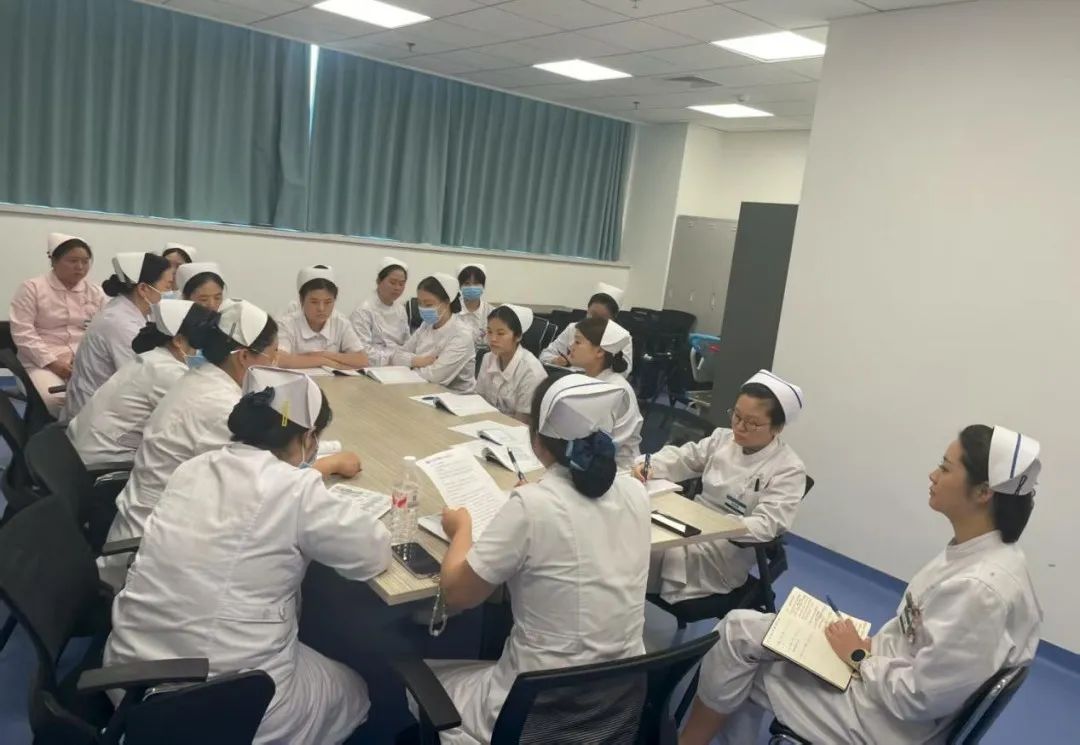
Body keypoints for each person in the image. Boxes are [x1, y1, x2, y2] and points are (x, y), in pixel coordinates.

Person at [680, 425, 1043, 745]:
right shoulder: (986, 554)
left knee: (739, 654)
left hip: (888, 722)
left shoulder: (980, 591)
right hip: (882, 676)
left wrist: (858, 656)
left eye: (946, 468)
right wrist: (866, 650)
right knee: (741, 629)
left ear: (983, 492)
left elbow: (918, 699)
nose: (933, 475)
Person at [104, 367, 391, 744]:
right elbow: (371, 555)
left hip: (128, 679)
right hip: (226, 702)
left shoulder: (193, 468)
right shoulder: (294, 489)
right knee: (354, 690)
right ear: (308, 438)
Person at [419, 374, 651, 745]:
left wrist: (461, 529)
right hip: (616, 709)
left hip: (533, 717)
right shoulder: (636, 493)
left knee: (424, 683)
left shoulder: (532, 507)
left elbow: (457, 594)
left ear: (537, 442)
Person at [99, 300, 361, 587]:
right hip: (156, 550)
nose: (276, 362)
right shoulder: (220, 406)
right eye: (272, 354)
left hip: (170, 523)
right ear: (244, 356)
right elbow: (269, 483)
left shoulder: (203, 380)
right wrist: (331, 463)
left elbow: (268, 454)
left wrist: (326, 446)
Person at [636, 370, 807, 604]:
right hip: (687, 526)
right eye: (737, 416)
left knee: (633, 558)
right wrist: (649, 465)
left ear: (777, 428)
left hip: (722, 551)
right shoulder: (722, 439)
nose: (740, 427)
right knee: (628, 538)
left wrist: (719, 526)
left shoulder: (788, 468)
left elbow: (768, 525)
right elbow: (684, 458)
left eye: (752, 423)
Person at [67, 300, 218, 468]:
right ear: (179, 341)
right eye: (202, 344)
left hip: (79, 450)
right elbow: (204, 422)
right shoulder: (169, 373)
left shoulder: (152, 359)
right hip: (105, 463)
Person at [62, 252, 174, 422]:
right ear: (143, 289)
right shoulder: (119, 323)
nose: (172, 293)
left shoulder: (137, 310)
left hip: (111, 405)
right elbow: (140, 380)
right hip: (97, 417)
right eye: (168, 286)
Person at [8, 233, 106, 416]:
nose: (80, 267)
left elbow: (102, 331)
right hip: (41, 361)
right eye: (73, 261)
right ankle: (62, 432)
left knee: (106, 396)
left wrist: (85, 358)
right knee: (56, 399)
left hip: (83, 359)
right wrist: (52, 362)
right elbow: (23, 332)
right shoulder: (32, 288)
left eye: (85, 261)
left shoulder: (95, 292)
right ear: (54, 261)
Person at [567, 317, 642, 469]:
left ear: (600, 351)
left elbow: (602, 444)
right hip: (587, 460)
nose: (571, 346)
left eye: (578, 342)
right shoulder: (586, 379)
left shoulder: (615, 390)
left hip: (616, 469)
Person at [392, 273, 475, 392]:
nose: (422, 308)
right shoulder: (426, 325)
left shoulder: (462, 335)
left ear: (446, 303)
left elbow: (434, 377)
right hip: (420, 390)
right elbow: (397, 356)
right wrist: (417, 361)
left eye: (428, 304)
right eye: (419, 303)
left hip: (454, 397)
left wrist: (409, 366)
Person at [278, 265, 369, 371]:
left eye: (328, 302)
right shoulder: (287, 324)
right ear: (301, 300)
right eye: (314, 302)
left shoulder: (340, 322)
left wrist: (323, 354)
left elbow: (362, 360)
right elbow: (280, 359)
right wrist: (323, 361)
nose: (321, 308)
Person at [540, 282, 633, 377]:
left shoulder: (621, 337)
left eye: (601, 319)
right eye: (592, 314)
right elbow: (545, 355)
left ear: (612, 320)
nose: (594, 321)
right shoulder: (573, 329)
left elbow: (624, 372)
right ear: (587, 310)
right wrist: (555, 360)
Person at [473, 305, 546, 423]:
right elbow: (479, 400)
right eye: (489, 332)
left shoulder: (531, 371)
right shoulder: (488, 358)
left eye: (500, 333)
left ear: (518, 336)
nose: (493, 339)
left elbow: (523, 422)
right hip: (484, 425)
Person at [350, 256, 410, 367]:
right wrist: (395, 359)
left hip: (400, 366)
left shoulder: (401, 309)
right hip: (374, 368)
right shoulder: (363, 311)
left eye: (401, 284)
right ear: (378, 281)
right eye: (392, 282)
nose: (397, 288)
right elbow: (363, 352)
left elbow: (407, 343)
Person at [455, 262, 493, 348]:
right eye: (467, 283)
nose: (471, 287)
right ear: (460, 286)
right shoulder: (451, 310)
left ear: (483, 286)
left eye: (476, 283)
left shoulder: (492, 312)